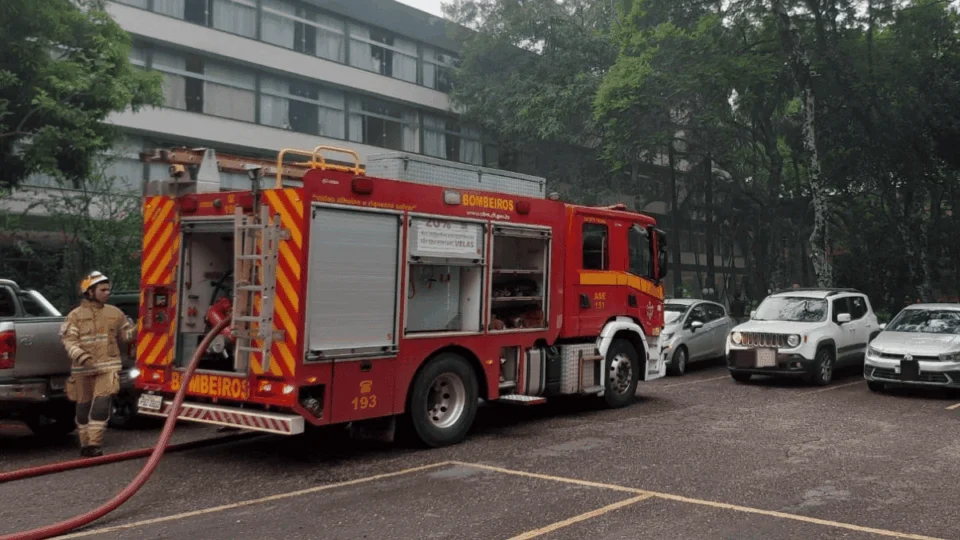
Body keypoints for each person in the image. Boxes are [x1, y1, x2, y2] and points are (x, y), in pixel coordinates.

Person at [59, 271, 137, 457]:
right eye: (103, 290)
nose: (107, 293)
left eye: (108, 289)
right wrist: (83, 357)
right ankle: (84, 443)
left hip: (108, 367)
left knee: (102, 405)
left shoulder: (115, 313)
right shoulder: (75, 315)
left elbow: (126, 336)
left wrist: (139, 328)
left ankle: (94, 444)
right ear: (90, 291)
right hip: (82, 369)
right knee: (83, 406)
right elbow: (69, 340)